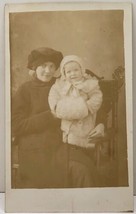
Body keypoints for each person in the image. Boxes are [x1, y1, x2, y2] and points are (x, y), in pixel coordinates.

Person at [11, 47, 63, 188]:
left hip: (61, 144)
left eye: (52, 66)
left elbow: (84, 102)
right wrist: (49, 116)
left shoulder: (62, 85)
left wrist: (100, 123)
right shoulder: (25, 90)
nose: (48, 71)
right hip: (33, 145)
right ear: (34, 67)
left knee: (81, 171)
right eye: (43, 66)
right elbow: (16, 125)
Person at [48, 55, 103, 187]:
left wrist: (85, 108)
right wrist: (81, 107)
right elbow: (56, 107)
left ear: (82, 70)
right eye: (69, 71)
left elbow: (97, 100)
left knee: (86, 143)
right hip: (67, 134)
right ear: (64, 74)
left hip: (87, 127)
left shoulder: (91, 84)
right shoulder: (58, 87)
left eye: (76, 70)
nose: (73, 74)